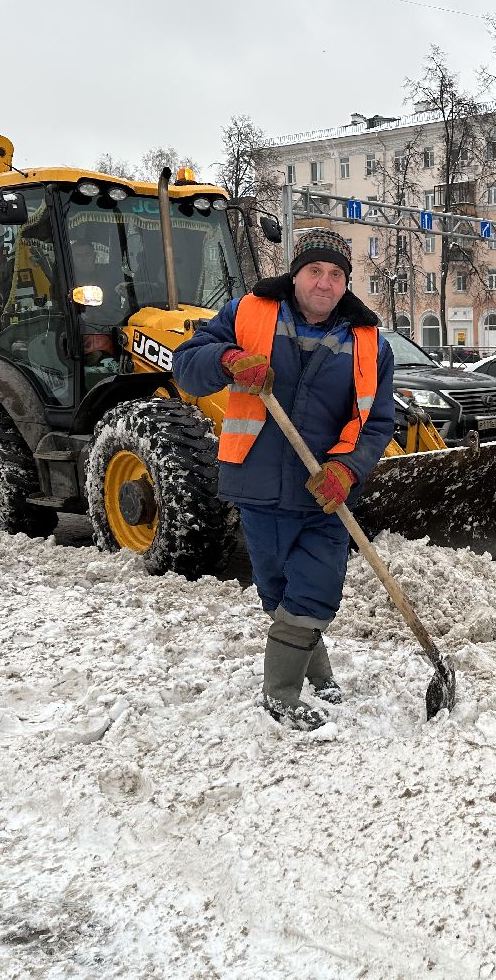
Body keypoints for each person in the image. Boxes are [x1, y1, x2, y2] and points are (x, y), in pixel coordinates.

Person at [173, 227, 396, 731]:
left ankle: (279, 694)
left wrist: (347, 468)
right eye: (315, 271)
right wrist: (227, 360)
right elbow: (186, 366)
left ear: (347, 283)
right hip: (258, 485)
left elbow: (376, 421)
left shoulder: (368, 343)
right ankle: (314, 672)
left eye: (336, 274)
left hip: (325, 493)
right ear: (295, 275)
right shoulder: (247, 313)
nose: (325, 283)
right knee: (277, 594)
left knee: (316, 589)